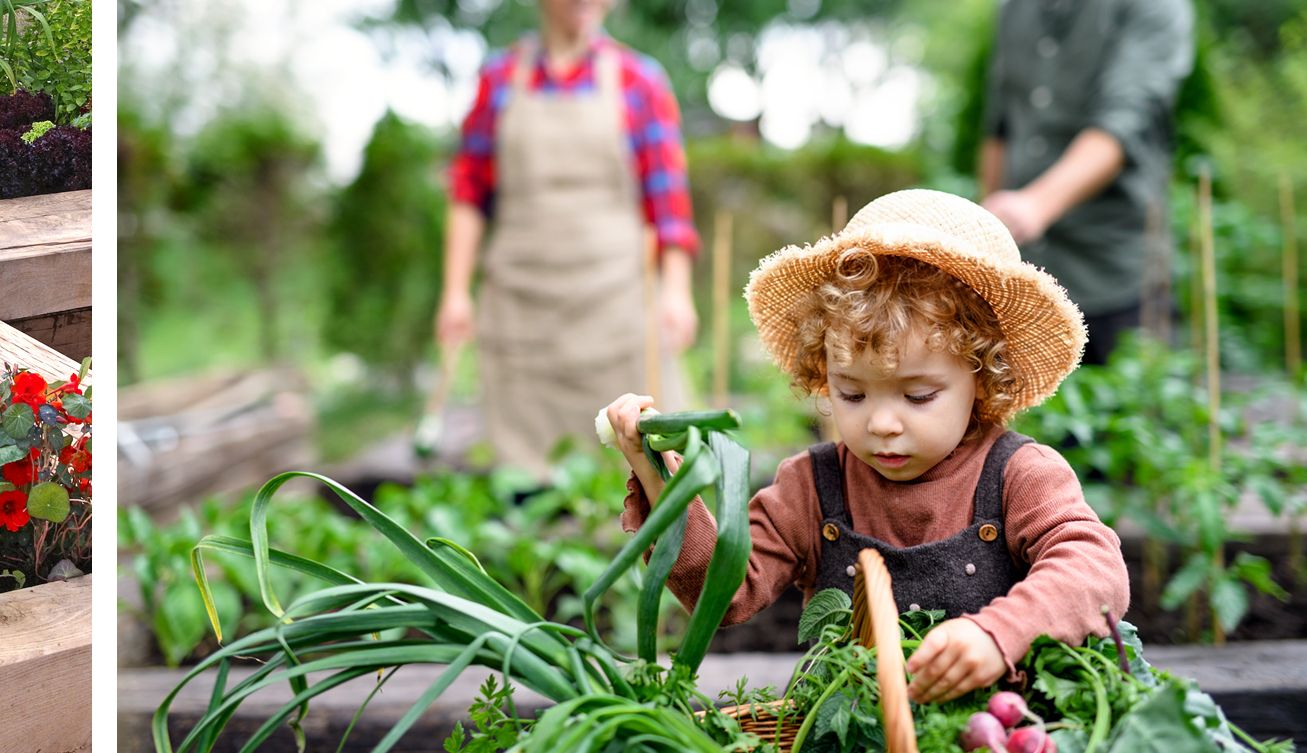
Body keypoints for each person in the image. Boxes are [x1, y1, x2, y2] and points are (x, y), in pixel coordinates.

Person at [603, 190, 1129, 702]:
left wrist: (1000, 634)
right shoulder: (812, 485)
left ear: (983, 378)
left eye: (919, 396)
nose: (881, 423)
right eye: (851, 392)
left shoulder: (1020, 475)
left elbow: (1093, 569)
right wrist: (662, 482)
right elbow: (724, 593)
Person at [435, 0, 698, 475]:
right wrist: (455, 293)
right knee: (522, 480)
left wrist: (676, 292)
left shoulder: (639, 80)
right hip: (520, 309)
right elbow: (468, 193)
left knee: (638, 472)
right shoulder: (498, 80)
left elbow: (668, 204)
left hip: (617, 306)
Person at [977, 0, 1193, 364]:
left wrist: (1036, 204)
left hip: (1116, 275)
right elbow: (999, 128)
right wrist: (986, 239)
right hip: (1025, 281)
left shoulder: (1154, 7)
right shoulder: (1014, 8)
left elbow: (1123, 123)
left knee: (1136, 413)